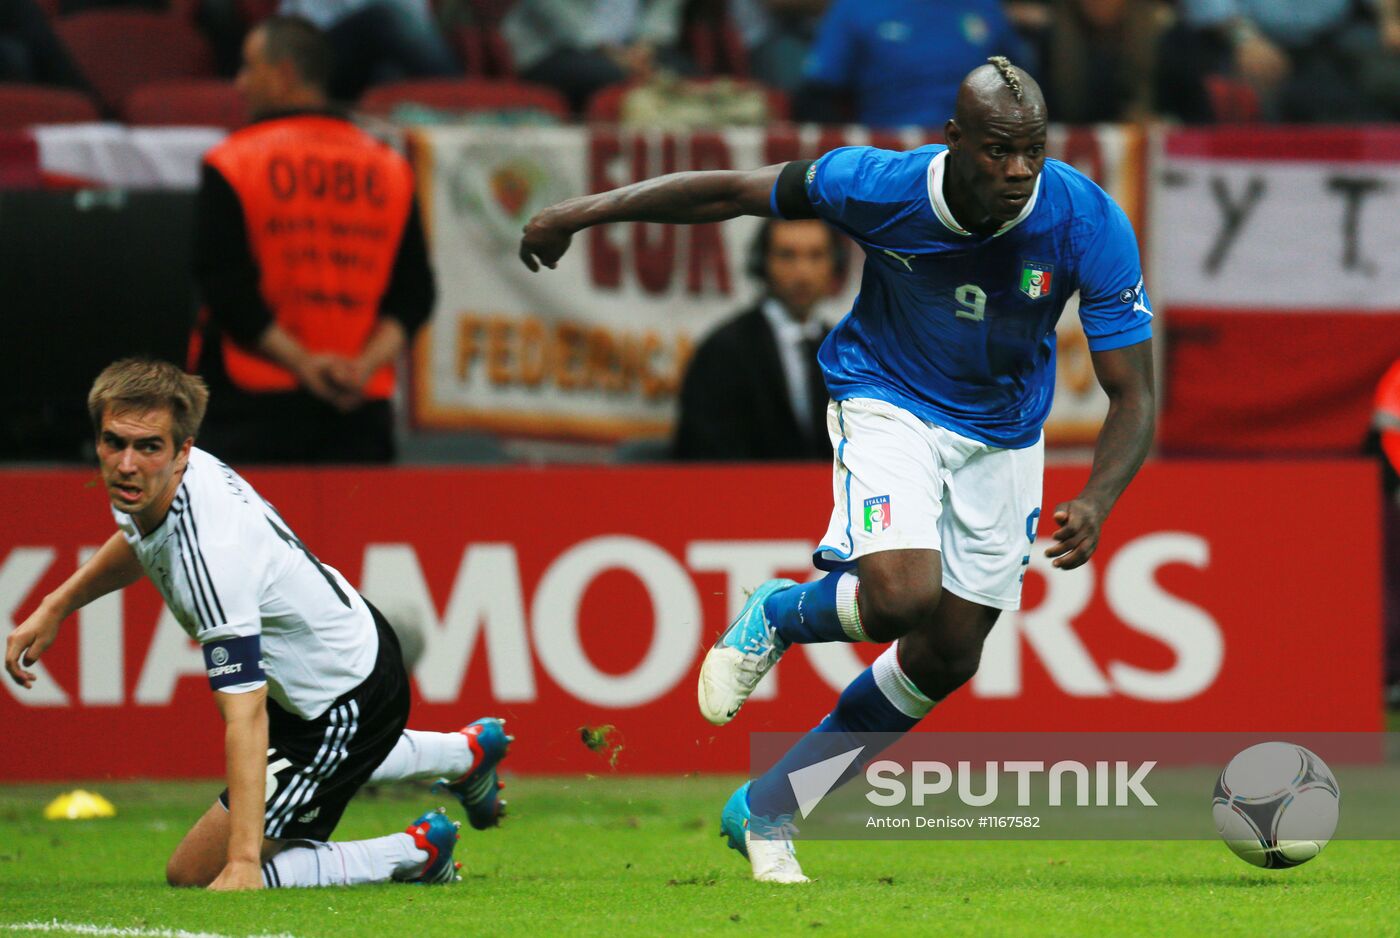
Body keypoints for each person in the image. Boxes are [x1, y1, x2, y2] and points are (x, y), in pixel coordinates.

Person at [520, 57, 1155, 883]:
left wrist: (1099, 497)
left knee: (948, 656)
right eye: (999, 150)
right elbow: (728, 192)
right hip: (888, 398)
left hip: (1003, 436)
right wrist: (577, 213)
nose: (1018, 170)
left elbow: (1133, 394)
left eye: (1033, 149)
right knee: (899, 596)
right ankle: (779, 615)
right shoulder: (879, 186)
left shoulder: (1087, 222)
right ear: (954, 139)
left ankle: (771, 805)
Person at [4, 359, 510, 890]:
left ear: (182, 451)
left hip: (341, 698)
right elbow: (140, 541)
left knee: (194, 873)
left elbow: (245, 715)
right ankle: (465, 754)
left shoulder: (212, 555)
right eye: (114, 443)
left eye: (148, 447)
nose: (127, 463)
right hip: (336, 651)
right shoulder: (154, 485)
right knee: (325, 768)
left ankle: (416, 852)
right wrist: (55, 606)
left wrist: (243, 862)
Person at [192, 15, 435, 464]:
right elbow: (415, 295)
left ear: (284, 74)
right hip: (358, 412)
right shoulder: (389, 167)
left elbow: (225, 289)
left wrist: (305, 364)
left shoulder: (233, 162)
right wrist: (360, 368)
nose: (240, 84)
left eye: (249, 67)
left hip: (252, 414)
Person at [673, 218, 841, 461]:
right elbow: (704, 453)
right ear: (762, 263)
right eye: (787, 256)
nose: (803, 272)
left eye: (816, 256)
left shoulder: (846, 351)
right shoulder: (723, 351)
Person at [796, 0, 1025, 128]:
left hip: (975, 152)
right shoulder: (856, 7)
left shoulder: (985, 7)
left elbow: (1022, 86)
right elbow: (816, 95)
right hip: (888, 151)